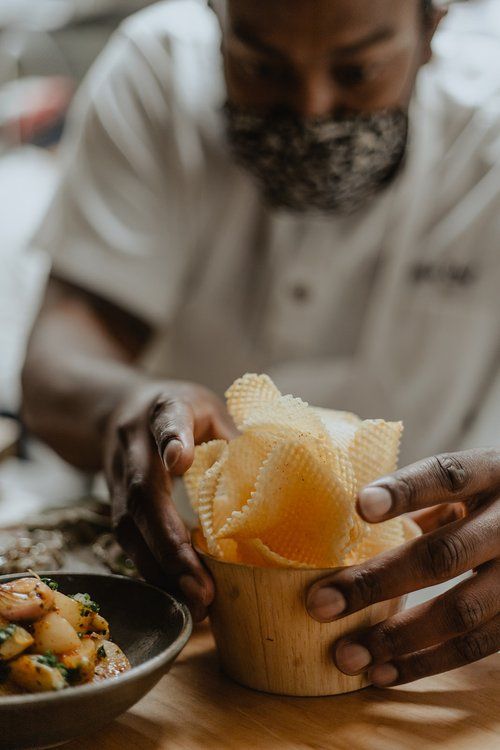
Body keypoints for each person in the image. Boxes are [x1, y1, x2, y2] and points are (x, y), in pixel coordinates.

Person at [22, 0, 499, 687]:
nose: (310, 108)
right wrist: (126, 403)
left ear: (433, 28)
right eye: (262, 67)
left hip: (445, 616)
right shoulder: (158, 72)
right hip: (175, 608)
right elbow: (57, 363)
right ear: (216, 17)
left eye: (358, 68)